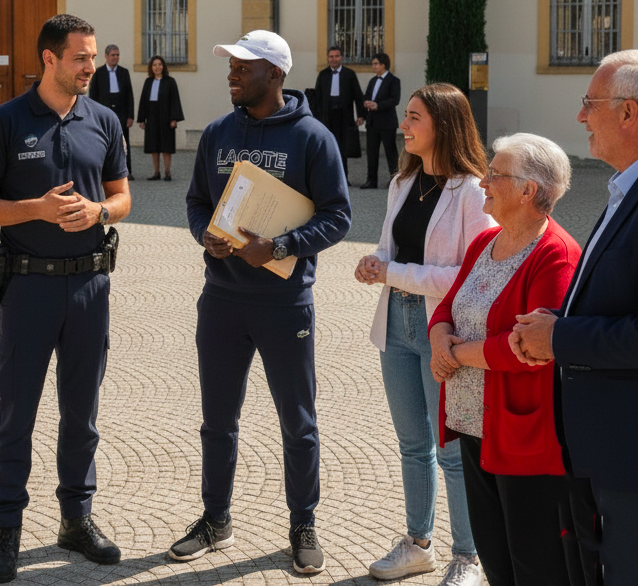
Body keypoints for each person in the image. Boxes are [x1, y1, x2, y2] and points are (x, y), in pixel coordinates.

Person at [169, 30, 350, 575]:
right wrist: (206, 235)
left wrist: (280, 247)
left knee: (298, 421)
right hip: (221, 300)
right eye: (230, 65)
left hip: (285, 304)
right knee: (217, 420)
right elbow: (198, 201)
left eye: (242, 66)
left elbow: (338, 216)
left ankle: (303, 522)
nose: (231, 74)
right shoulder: (219, 133)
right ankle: (215, 518)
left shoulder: (313, 138)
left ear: (274, 74)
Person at [0, 14, 130, 584]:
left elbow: (123, 195)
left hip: (89, 285)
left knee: (81, 412)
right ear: (49, 60)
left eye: (92, 57)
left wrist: (100, 212)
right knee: (17, 409)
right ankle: (6, 528)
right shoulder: (7, 120)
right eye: (81, 58)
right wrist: (33, 209)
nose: (91, 66)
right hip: (28, 286)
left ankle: (76, 521)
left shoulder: (103, 120)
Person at [354, 83, 494, 586]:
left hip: (444, 330)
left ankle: (468, 556)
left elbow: (468, 275)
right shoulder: (401, 182)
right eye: (406, 116)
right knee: (412, 444)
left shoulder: (473, 191)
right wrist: (377, 263)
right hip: (396, 322)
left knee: (451, 450)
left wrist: (393, 273)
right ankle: (418, 544)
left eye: (414, 117)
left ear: (443, 125)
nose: (403, 124)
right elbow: (395, 247)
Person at [428, 134, 581, 586]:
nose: (483, 181)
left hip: (521, 434)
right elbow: (448, 304)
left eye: (495, 174)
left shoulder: (555, 254)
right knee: (494, 558)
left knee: (534, 563)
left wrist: (454, 353)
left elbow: (527, 347)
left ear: (528, 190)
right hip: (475, 423)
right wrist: (440, 339)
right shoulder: (484, 242)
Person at [512, 50, 638, 586]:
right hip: (604, 448)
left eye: (590, 103)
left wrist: (560, 336)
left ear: (629, 113)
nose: (581, 116)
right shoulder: (621, 188)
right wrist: (558, 318)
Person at [312, 45, 364, 182]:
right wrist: (316, 118)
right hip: (327, 117)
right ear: (328, 58)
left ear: (341, 57)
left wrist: (361, 115)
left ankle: (343, 178)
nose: (333, 59)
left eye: (336, 56)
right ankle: (327, 179)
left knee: (343, 149)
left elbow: (358, 95)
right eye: (331, 57)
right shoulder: (323, 75)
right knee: (327, 148)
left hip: (344, 116)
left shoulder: (349, 74)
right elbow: (318, 98)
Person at [88, 44, 135, 179]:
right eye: (113, 55)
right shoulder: (98, 73)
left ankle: (127, 171)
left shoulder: (124, 72)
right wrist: (93, 114)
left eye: (117, 55)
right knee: (103, 141)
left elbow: (129, 95)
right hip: (103, 112)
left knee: (124, 142)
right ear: (106, 56)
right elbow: (93, 95)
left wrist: (130, 115)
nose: (116, 57)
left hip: (121, 113)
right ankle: (103, 170)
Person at [136, 55, 184, 181]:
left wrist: (174, 118)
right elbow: (143, 101)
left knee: (166, 146)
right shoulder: (148, 82)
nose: (157, 67)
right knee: (154, 146)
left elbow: (175, 100)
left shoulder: (170, 81)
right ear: (151, 67)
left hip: (166, 117)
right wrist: (142, 119)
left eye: (160, 64)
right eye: (155, 65)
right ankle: (156, 172)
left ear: (163, 66)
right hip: (152, 117)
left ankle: (167, 172)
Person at [361, 52, 401, 189]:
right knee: (371, 153)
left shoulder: (394, 80)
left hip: (387, 123)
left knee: (390, 152)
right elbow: (367, 95)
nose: (373, 66)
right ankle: (371, 180)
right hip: (372, 122)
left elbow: (395, 99)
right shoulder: (373, 81)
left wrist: (378, 105)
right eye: (373, 64)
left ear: (383, 65)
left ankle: (395, 180)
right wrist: (366, 104)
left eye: (376, 64)